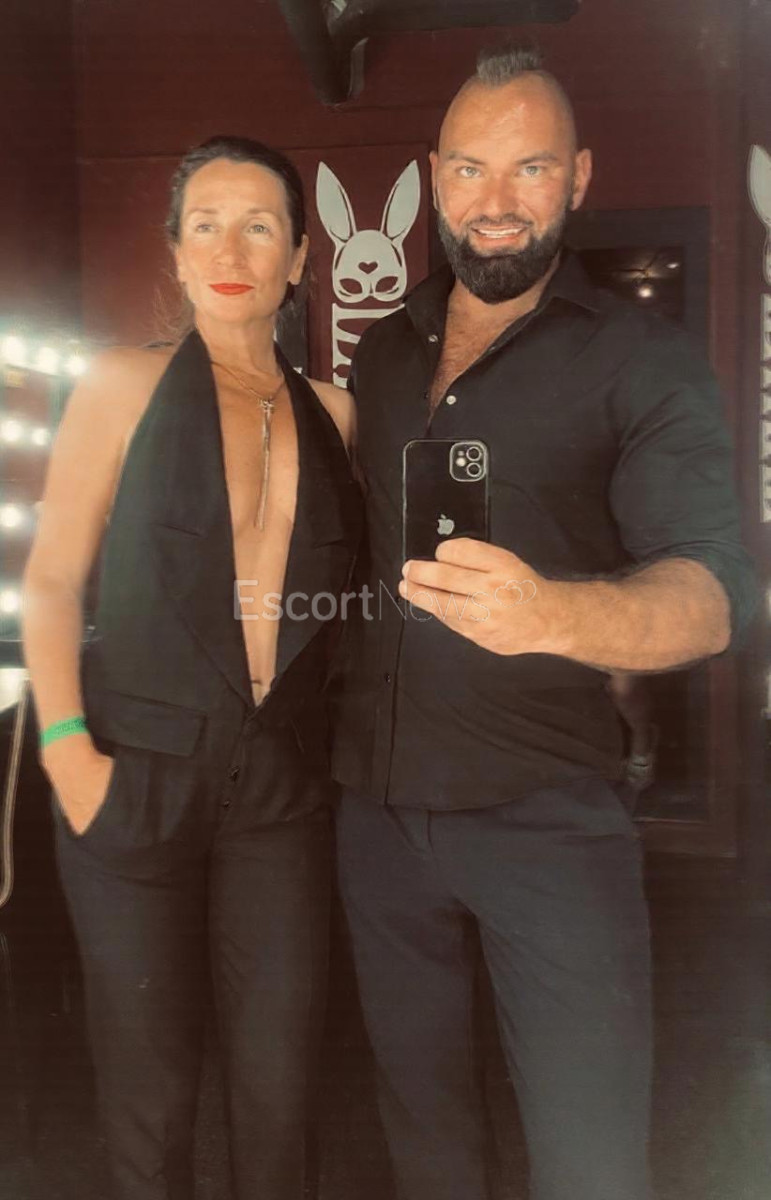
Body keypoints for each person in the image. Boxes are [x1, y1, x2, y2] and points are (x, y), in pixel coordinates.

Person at [331, 46, 755, 1200]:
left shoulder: (642, 360)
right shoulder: (386, 348)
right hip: (376, 812)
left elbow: (715, 597)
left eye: (531, 167)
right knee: (422, 1129)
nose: (498, 199)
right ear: (435, 177)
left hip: (548, 819)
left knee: (590, 1151)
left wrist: (551, 613)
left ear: (578, 177)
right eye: (471, 168)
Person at [22, 136, 360, 1200]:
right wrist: (68, 756)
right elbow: (50, 580)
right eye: (204, 225)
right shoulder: (119, 387)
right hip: (136, 774)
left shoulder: (335, 413)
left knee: (280, 1090)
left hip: (280, 798)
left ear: (296, 258)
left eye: (259, 226)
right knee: (150, 1100)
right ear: (174, 252)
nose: (230, 249)